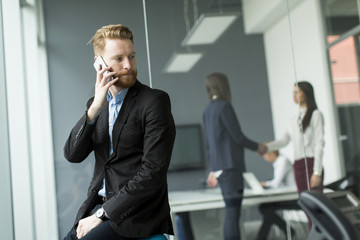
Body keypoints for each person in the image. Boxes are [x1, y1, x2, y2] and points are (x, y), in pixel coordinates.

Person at [63, 24, 176, 240]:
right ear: (99, 64)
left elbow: (153, 172)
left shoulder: (154, 101)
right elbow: (72, 155)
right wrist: (94, 107)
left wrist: (101, 215)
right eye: (119, 59)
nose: (128, 65)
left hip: (136, 212)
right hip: (98, 206)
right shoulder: (97, 105)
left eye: (131, 56)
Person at [203, 72, 267, 240]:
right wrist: (258, 147)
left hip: (220, 170)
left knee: (231, 213)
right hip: (231, 169)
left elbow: (209, 146)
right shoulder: (225, 107)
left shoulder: (208, 111)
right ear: (224, 86)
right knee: (233, 214)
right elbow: (238, 137)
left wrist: (212, 170)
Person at [265, 81, 325, 229]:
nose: (294, 95)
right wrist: (265, 147)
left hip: (311, 164)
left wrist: (316, 172)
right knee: (306, 206)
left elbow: (319, 143)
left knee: (315, 207)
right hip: (298, 165)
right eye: (293, 92)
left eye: (297, 92)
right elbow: (283, 141)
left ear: (306, 93)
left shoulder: (316, 115)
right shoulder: (294, 118)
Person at [256, 151, 297, 239]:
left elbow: (276, 183)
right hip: (286, 195)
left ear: (271, 153)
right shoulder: (278, 163)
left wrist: (265, 184)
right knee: (266, 208)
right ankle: (288, 230)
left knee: (265, 208)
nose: (264, 158)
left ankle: (288, 230)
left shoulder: (283, 161)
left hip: (293, 196)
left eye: (265, 155)